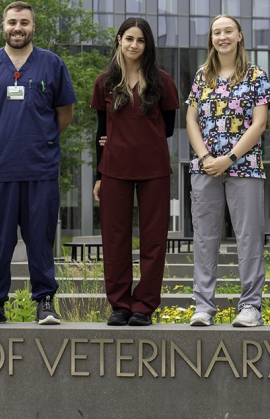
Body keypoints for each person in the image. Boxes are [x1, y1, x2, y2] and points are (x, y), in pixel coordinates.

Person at [0, 1, 76, 326]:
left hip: (39, 169)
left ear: (33, 27)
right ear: (4, 25)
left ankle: (45, 303)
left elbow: (64, 113)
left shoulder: (51, 64)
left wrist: (40, 137)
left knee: (40, 240)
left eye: (24, 22)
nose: (18, 28)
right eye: (12, 22)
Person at [91, 18, 179, 327]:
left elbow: (167, 128)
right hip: (114, 168)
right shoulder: (104, 81)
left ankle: (144, 306)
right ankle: (120, 305)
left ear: (147, 45)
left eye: (140, 40)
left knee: (153, 240)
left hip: (154, 168)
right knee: (114, 239)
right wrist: (98, 177)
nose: (134, 45)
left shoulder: (162, 81)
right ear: (118, 40)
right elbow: (100, 132)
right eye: (129, 38)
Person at [185, 14, 270, 328]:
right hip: (205, 168)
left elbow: (260, 124)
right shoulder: (201, 76)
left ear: (239, 36)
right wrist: (207, 156)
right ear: (211, 38)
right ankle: (204, 307)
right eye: (216, 32)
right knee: (205, 239)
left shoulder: (255, 75)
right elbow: (191, 120)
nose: (222, 37)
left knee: (249, 238)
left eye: (228, 31)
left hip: (244, 167)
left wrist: (229, 158)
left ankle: (250, 306)